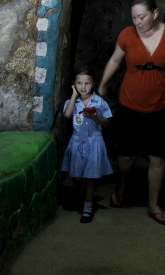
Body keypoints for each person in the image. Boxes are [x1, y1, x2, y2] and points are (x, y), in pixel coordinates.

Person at [98, 0, 165, 225]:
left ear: (155, 13)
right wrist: (102, 84)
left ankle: (153, 205)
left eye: (142, 17)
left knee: (157, 157)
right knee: (126, 157)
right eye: (134, 18)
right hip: (130, 105)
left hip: (163, 106)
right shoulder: (127, 35)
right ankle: (121, 188)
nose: (137, 22)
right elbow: (114, 60)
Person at [62, 67, 113, 223]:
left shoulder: (99, 102)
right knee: (76, 176)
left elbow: (106, 122)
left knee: (89, 178)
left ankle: (88, 208)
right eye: (79, 83)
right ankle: (81, 194)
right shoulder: (72, 101)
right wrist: (73, 95)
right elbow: (67, 115)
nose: (83, 87)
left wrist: (95, 116)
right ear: (74, 85)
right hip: (77, 141)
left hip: (94, 143)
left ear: (93, 84)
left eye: (87, 83)